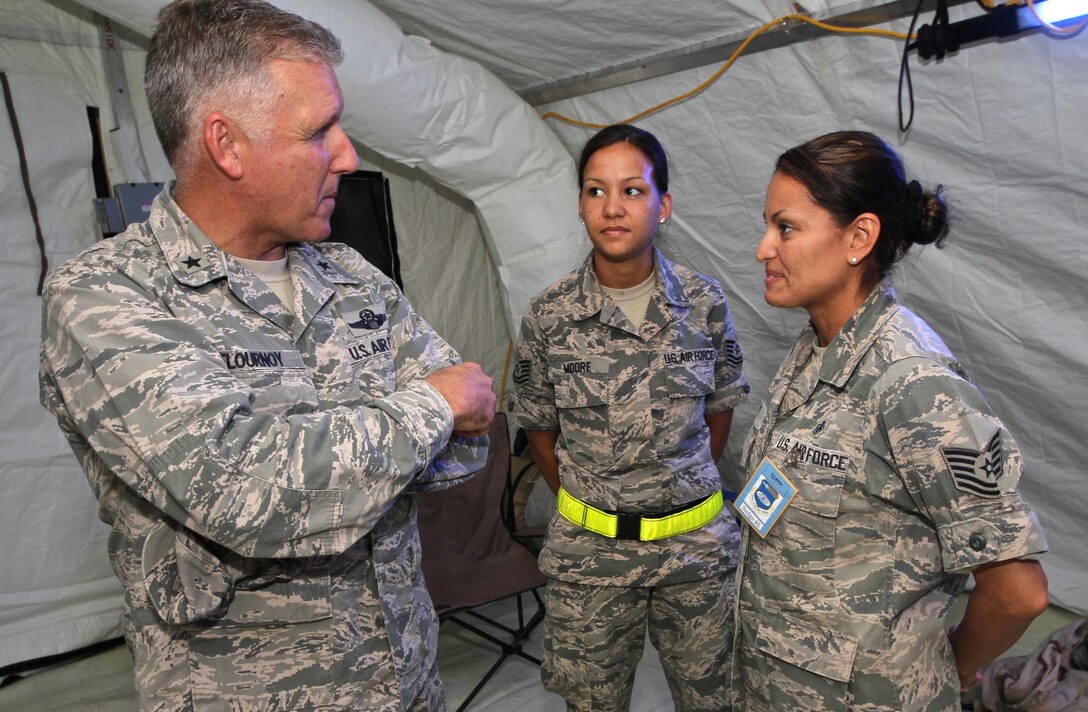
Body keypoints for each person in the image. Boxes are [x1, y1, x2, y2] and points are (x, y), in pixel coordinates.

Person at [38, 1, 496, 710]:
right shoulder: (107, 298)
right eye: (319, 131)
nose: (348, 155)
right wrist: (428, 404)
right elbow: (248, 491)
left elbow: (469, 444)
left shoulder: (348, 274)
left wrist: (362, 444)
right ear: (227, 145)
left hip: (405, 682)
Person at [732, 129, 1049, 711]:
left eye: (786, 227)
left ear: (859, 237)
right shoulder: (816, 350)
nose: (763, 249)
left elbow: (1017, 593)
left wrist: (940, 672)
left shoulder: (913, 383)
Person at [510, 123, 750, 711]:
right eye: (595, 191)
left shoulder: (703, 303)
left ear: (663, 205)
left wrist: (684, 484)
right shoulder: (549, 316)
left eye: (632, 191)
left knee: (714, 701)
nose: (612, 208)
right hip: (590, 556)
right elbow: (538, 425)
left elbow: (719, 407)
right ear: (581, 204)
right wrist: (587, 500)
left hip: (694, 552)